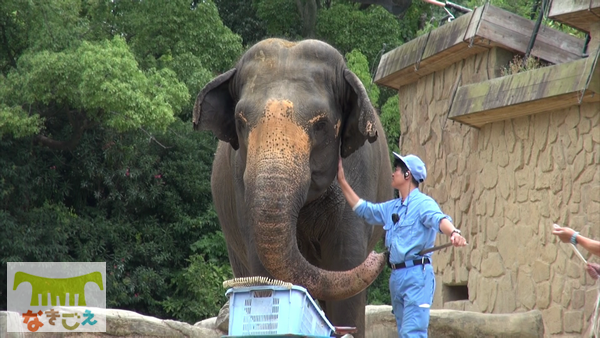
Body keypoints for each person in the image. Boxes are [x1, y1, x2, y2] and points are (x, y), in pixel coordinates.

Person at [337, 152, 467, 338]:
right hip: (396, 277)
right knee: (403, 333)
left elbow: (439, 220)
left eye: (397, 169)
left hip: (417, 276)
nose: (393, 173)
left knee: (411, 333)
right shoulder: (392, 207)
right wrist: (342, 181)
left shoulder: (423, 204)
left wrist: (454, 233)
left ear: (408, 175)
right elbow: (364, 210)